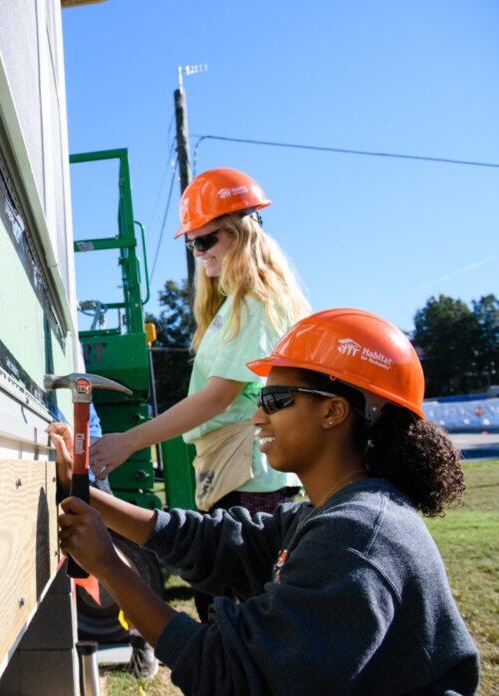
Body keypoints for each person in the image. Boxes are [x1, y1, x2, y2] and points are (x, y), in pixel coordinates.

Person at [50, 308, 480, 695]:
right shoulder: (329, 512)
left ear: (333, 412)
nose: (258, 417)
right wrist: (87, 496)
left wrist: (109, 566)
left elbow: (235, 678)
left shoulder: (356, 536)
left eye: (275, 401)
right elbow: (219, 544)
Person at [90, 167, 309, 519]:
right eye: (192, 243)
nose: (198, 252)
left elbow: (217, 399)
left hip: (249, 477)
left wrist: (127, 442)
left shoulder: (254, 302)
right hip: (234, 468)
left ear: (241, 232)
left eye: (205, 241)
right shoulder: (234, 304)